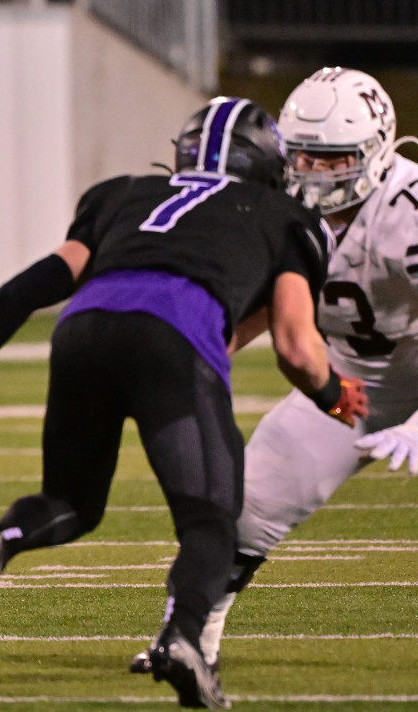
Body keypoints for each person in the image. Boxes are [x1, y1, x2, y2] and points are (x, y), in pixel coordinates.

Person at [0, 97, 369, 710]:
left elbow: (23, 292)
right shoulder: (287, 216)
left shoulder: (123, 194)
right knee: (210, 524)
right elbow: (297, 346)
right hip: (175, 337)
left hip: (83, 330)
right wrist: (333, 394)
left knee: (71, 502)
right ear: (268, 165)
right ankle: (182, 639)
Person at [127, 68, 418, 676]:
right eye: (303, 157)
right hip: (347, 381)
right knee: (246, 510)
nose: (313, 173)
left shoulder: (405, 209)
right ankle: (189, 642)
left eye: (331, 159)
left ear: (374, 152)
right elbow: (261, 304)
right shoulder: (277, 204)